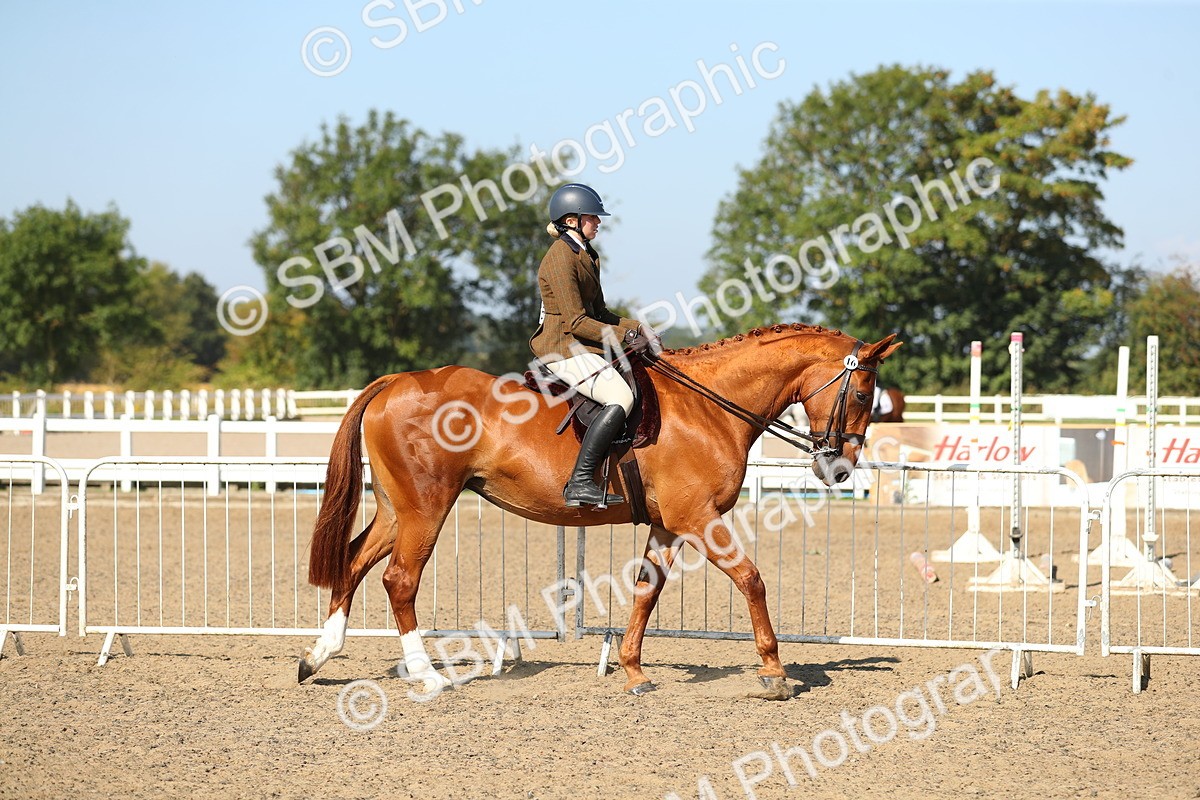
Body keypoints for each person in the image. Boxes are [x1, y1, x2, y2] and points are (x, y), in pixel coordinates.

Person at [529, 183, 657, 508]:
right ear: (572, 220)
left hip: (579, 342)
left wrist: (637, 327)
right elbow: (575, 322)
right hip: (562, 346)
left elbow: (600, 314)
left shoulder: (587, 254)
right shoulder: (560, 258)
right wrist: (624, 338)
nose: (598, 222)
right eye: (593, 217)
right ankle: (580, 481)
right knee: (620, 395)